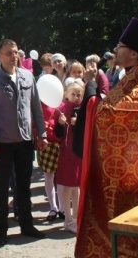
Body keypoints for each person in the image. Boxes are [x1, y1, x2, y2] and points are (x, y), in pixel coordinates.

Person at [75, 17, 138, 258]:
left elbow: (106, 115)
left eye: (120, 46)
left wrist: (90, 89)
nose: (115, 49)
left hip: (131, 182)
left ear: (133, 55)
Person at [0, 38, 48, 246]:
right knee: (2, 188)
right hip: (2, 143)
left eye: (16, 52)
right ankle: (2, 229)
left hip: (25, 140)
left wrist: (42, 134)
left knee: (24, 186)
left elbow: (36, 107)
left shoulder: (27, 76)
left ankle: (27, 225)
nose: (14, 56)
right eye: (9, 52)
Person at [53, 81, 84, 234]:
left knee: (76, 186)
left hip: (78, 152)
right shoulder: (61, 109)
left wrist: (77, 124)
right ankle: (68, 218)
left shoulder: (82, 109)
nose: (76, 97)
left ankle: (76, 218)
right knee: (66, 185)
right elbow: (57, 134)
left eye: (79, 94)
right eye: (73, 94)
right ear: (66, 94)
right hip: (66, 152)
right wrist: (60, 124)